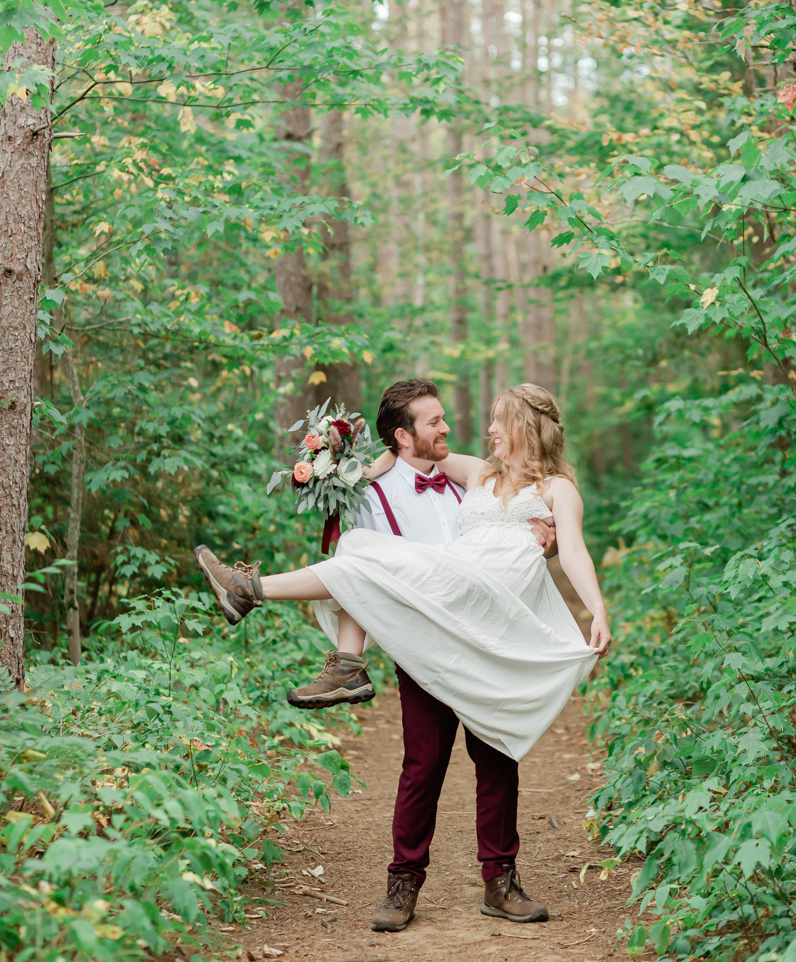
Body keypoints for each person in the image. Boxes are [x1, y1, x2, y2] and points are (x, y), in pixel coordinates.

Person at [196, 380, 611, 932]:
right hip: (438, 623)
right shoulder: (478, 473)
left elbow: (576, 551)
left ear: (524, 429)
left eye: (497, 420)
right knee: (421, 763)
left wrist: (597, 610)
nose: (484, 429)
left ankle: (501, 883)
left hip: (496, 629)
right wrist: (333, 462)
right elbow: (402, 454)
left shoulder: (559, 490)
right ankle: (403, 884)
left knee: (497, 762)